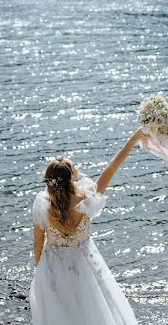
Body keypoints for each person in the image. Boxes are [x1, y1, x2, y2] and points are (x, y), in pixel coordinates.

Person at [29, 127, 149, 325]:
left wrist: (42, 272)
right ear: (71, 177)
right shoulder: (86, 198)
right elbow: (112, 167)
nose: (78, 168)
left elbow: (37, 243)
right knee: (95, 309)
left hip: (53, 265)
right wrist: (134, 138)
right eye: (74, 167)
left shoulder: (42, 203)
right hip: (85, 264)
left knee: (62, 313)